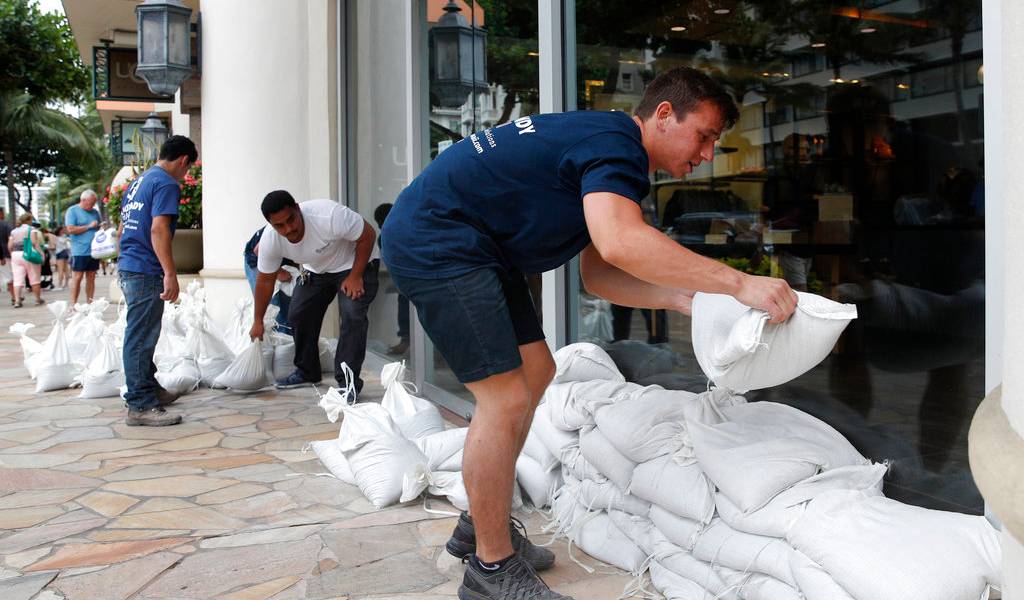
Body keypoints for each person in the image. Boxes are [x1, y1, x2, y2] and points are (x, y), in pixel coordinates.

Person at [381, 67, 798, 600]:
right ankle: (490, 570)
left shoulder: (605, 147)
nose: (708, 153)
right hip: (439, 242)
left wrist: (683, 298)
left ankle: (479, 527)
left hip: (475, 247)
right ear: (665, 115)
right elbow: (622, 242)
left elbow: (600, 273)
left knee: (537, 371)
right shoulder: (616, 146)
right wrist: (739, 283)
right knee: (504, 397)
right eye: (705, 135)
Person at [248, 191, 379, 396]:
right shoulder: (269, 240)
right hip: (317, 270)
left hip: (354, 263)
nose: (289, 228)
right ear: (271, 225)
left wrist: (355, 275)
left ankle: (348, 384)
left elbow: (368, 234)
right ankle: (307, 371)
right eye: (279, 225)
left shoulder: (328, 215)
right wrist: (257, 320)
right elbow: (265, 281)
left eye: (291, 219)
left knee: (352, 314)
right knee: (299, 313)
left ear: (298, 208)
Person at [117, 135, 197, 427]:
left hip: (129, 264)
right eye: (187, 169)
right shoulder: (165, 183)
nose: (185, 174)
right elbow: (158, 230)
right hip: (145, 269)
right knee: (140, 338)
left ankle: (150, 389)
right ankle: (140, 405)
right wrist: (170, 273)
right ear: (183, 161)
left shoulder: (139, 182)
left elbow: (123, 226)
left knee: (141, 333)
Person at [243, 226, 294, 335]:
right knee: (272, 305)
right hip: (257, 258)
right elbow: (258, 251)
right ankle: (272, 340)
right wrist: (278, 272)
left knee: (287, 302)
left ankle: (285, 341)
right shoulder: (283, 228)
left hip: (280, 259)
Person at [372, 202, 409, 355]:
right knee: (404, 304)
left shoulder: (408, 228)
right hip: (405, 279)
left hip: (418, 276)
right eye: (379, 223)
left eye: (382, 221)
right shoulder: (384, 238)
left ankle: (433, 351)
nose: (381, 226)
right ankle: (406, 340)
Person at [65, 190, 102, 305]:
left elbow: (98, 228)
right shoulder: (72, 211)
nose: (93, 205)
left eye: (94, 203)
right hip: (79, 251)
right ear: (83, 200)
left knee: (91, 277)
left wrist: (101, 227)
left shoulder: (95, 212)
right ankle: (73, 304)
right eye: (91, 203)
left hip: (94, 251)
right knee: (78, 277)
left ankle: (90, 304)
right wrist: (89, 226)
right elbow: (70, 229)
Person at [8, 213, 45, 307]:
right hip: (28, 255)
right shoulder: (31, 229)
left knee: (17, 279)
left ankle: (17, 301)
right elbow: (34, 243)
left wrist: (13, 253)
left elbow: (10, 246)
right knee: (34, 277)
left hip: (15, 255)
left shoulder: (14, 231)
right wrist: (41, 254)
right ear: (29, 220)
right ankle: (37, 299)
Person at [0, 208, 13, 305]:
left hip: (3, 255)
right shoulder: (5, 225)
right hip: (4, 255)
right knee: (9, 277)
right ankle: (15, 297)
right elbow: (11, 239)